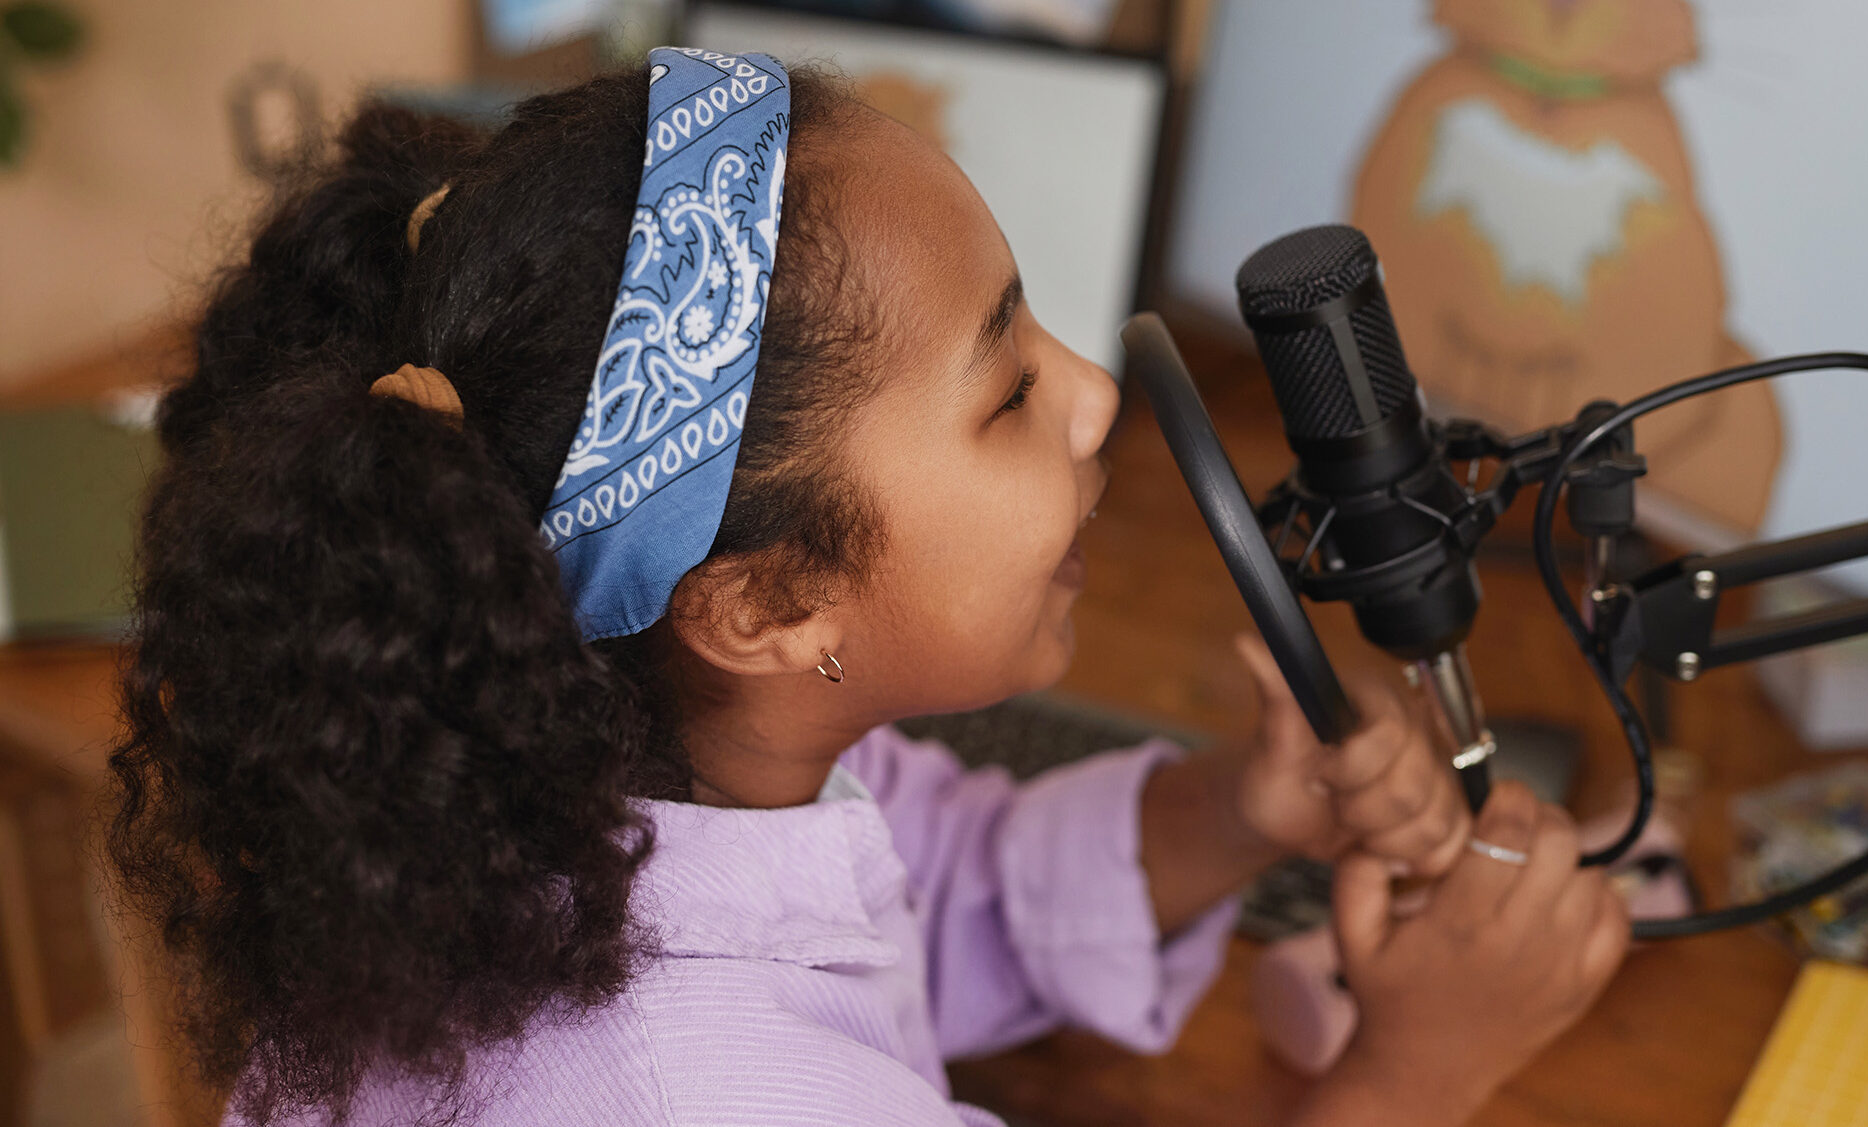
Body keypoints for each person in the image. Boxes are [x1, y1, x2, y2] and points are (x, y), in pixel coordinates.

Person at [106, 48, 1627, 1127]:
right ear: (765, 606)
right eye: (1009, 390)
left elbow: (920, 898)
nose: (1096, 397)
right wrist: (1413, 1078)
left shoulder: (599, 786)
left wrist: (1237, 816)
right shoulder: (707, 1099)